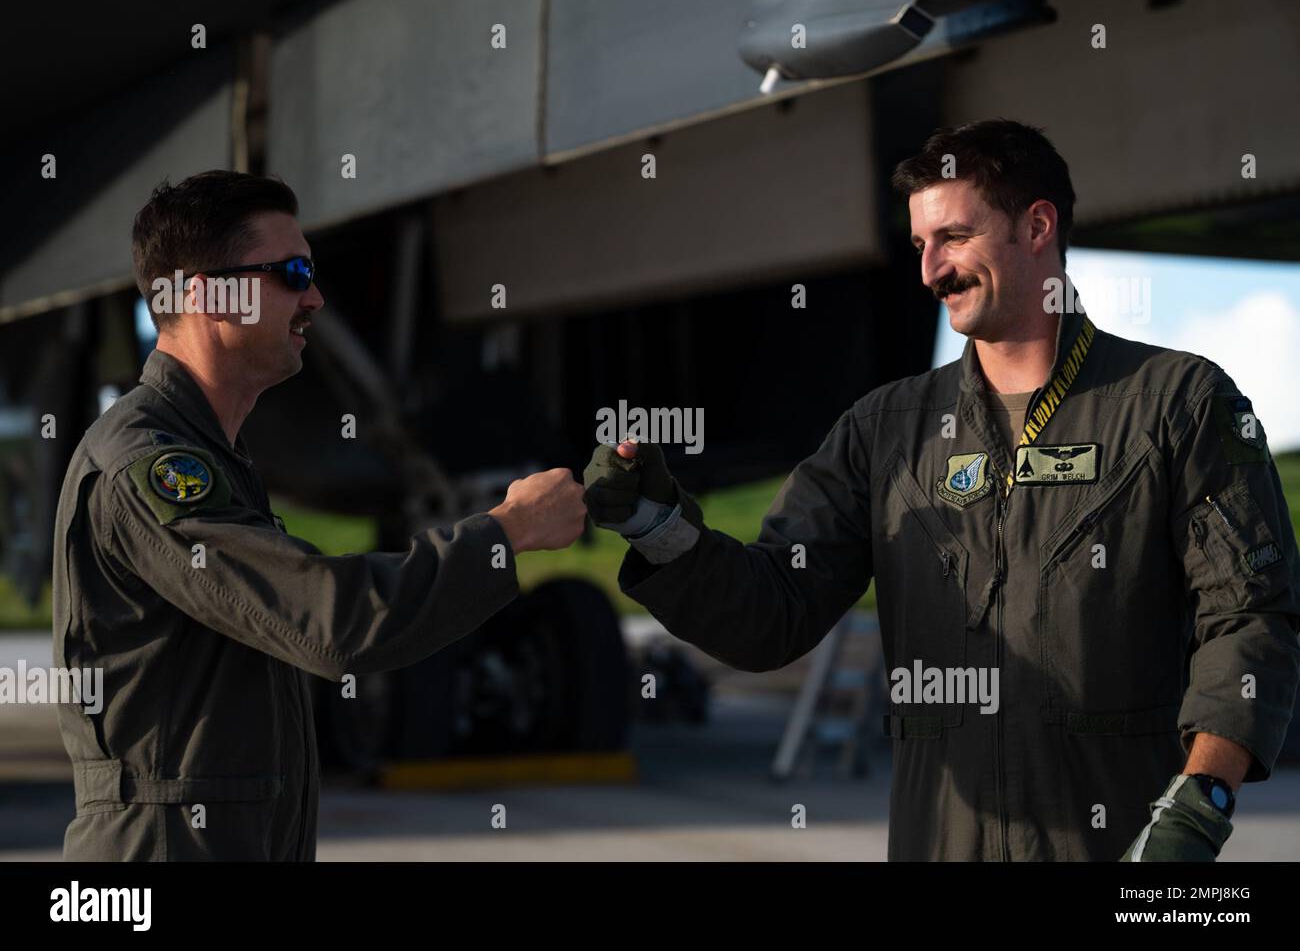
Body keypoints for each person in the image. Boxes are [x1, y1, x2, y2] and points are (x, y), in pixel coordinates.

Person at [583, 119, 1300, 861]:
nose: (930, 271)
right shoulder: (884, 430)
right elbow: (774, 613)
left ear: (1037, 226)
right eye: (922, 245)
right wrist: (654, 520)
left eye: (953, 237)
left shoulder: (1176, 403)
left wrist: (1199, 806)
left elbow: (1252, 617)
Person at [52, 170, 586, 860]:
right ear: (208, 294)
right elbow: (333, 621)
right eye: (292, 273)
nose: (314, 297)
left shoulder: (215, 459)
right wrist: (507, 532)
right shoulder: (149, 468)